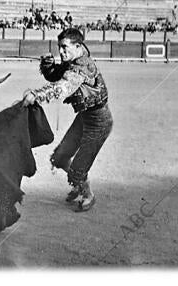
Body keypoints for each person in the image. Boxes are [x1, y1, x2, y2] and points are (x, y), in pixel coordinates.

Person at [21, 28, 113, 212]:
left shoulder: (81, 68)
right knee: (60, 157)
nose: (61, 52)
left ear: (78, 46)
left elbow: (61, 87)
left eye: (64, 47)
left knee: (78, 169)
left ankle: (88, 194)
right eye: (59, 48)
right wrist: (49, 67)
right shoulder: (75, 58)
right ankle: (79, 186)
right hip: (84, 118)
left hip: (99, 122)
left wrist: (37, 95)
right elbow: (57, 75)